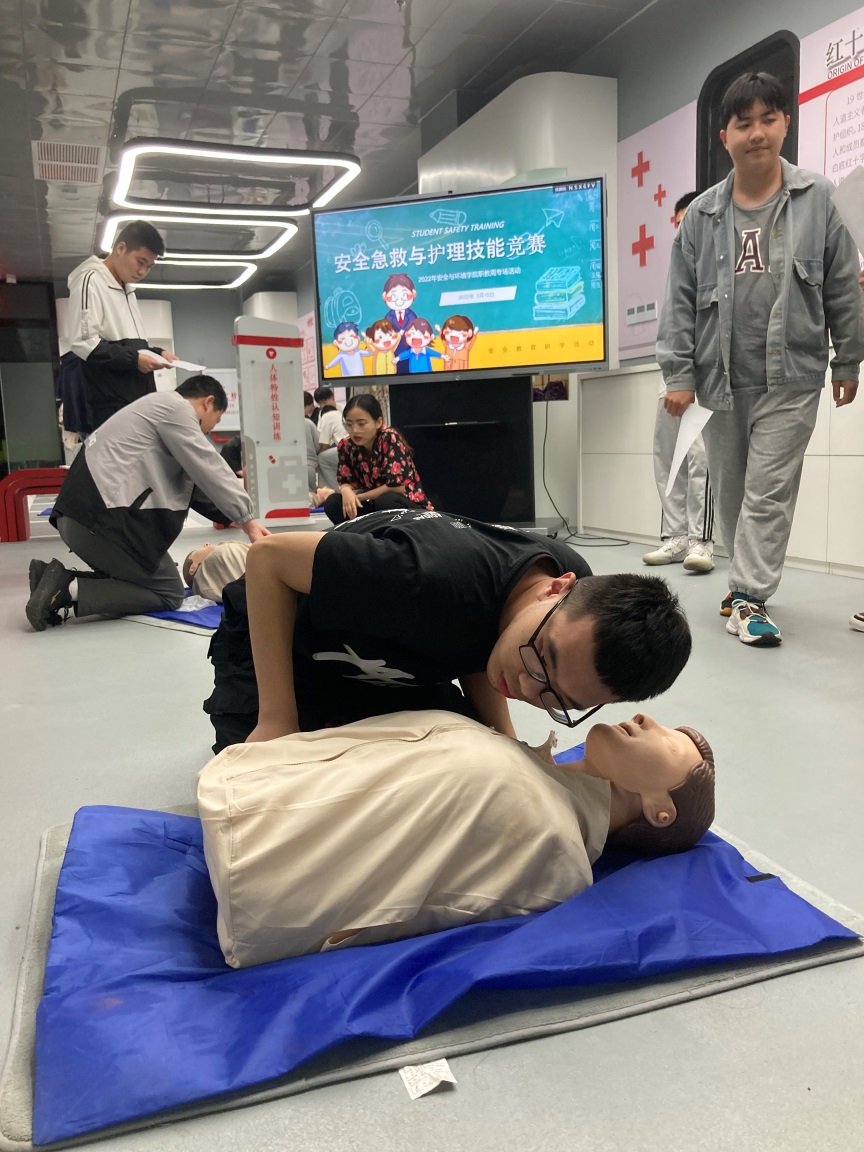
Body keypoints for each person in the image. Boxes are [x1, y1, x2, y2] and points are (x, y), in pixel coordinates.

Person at [198, 709, 715, 966]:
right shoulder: (528, 774)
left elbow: (414, 908)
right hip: (242, 795)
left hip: (251, 873)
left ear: (660, 811)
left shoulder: (555, 850)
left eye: (670, 744)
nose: (646, 718)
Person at [202, 506, 692, 752]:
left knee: (465, 754)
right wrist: (278, 719)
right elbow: (268, 560)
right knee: (263, 788)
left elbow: (484, 636)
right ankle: (203, 562)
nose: (527, 688)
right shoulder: (423, 577)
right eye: (544, 658)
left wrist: (506, 736)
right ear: (554, 589)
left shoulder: (574, 596)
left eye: (558, 700)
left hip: (392, 659)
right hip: (289, 638)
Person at [657, 72, 864, 646]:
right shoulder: (701, 216)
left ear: (785, 124)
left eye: (768, 119)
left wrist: (848, 359)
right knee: (732, 492)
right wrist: (678, 374)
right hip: (719, 379)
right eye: (743, 123)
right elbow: (678, 301)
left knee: (770, 491)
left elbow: (842, 284)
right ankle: (741, 583)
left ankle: (748, 595)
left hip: (793, 376)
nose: (757, 133)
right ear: (724, 136)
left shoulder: (817, 198)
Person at [25, 376, 270, 631]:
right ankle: (66, 587)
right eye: (215, 421)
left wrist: (232, 516)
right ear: (208, 402)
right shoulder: (175, 409)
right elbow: (209, 467)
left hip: (79, 518)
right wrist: (249, 522)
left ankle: (48, 579)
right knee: (169, 592)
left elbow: (193, 486)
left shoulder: (153, 409)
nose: (207, 432)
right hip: (101, 522)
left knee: (151, 578)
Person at [643, 192, 714, 574]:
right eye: (678, 222)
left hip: (706, 376)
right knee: (668, 457)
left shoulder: (717, 267)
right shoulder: (677, 269)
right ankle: (675, 536)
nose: (682, 229)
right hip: (671, 377)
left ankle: (702, 541)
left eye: (688, 220)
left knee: (701, 457)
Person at [66, 220, 179, 430]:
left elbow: (127, 343)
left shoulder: (127, 288)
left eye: (149, 266)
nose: (143, 272)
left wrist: (157, 353)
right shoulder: (90, 281)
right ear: (120, 248)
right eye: (140, 262)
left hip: (137, 404)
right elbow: (84, 343)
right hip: (111, 410)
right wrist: (134, 360)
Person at [321, 393, 431, 525]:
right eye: (349, 424)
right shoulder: (346, 445)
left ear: (378, 422)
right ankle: (357, 535)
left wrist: (359, 497)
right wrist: (346, 492)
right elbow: (345, 480)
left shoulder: (389, 438)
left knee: (387, 501)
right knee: (333, 502)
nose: (355, 430)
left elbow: (397, 487)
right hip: (373, 505)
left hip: (405, 505)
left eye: (361, 424)